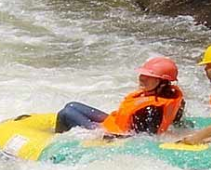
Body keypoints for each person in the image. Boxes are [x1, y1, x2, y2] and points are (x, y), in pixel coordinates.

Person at [55, 57, 184, 136]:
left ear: (162, 82)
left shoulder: (152, 108)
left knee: (65, 113)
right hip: (116, 124)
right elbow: (177, 121)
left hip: (113, 135)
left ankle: (56, 143)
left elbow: (144, 138)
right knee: (72, 105)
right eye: (142, 75)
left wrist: (107, 137)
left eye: (149, 77)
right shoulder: (170, 95)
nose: (141, 78)